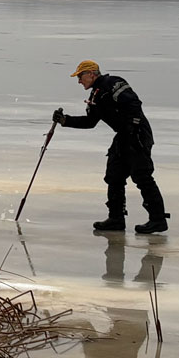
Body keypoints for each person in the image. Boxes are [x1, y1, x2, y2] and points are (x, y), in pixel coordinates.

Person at [53, 59, 169, 234]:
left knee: (142, 177)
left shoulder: (113, 83)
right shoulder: (95, 95)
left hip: (137, 134)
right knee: (114, 176)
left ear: (91, 74)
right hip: (123, 137)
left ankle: (158, 220)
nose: (79, 81)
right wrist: (65, 120)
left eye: (80, 76)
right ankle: (116, 219)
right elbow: (90, 122)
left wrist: (133, 130)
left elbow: (134, 104)